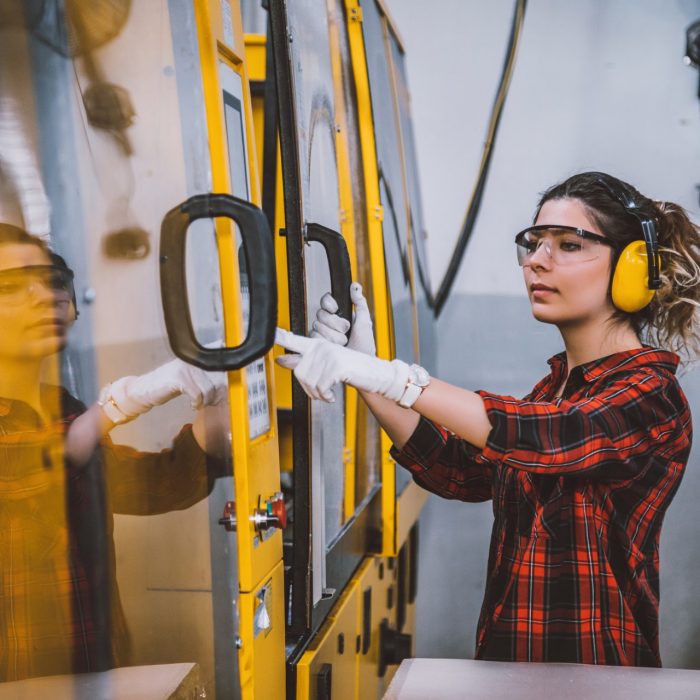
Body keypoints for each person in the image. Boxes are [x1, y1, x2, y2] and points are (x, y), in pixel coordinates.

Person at [275, 171, 700, 667]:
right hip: (509, 669)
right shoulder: (553, 389)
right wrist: (367, 376)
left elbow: (548, 439)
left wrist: (392, 376)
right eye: (533, 243)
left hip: (597, 678)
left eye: (567, 244)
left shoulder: (651, 395)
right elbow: (463, 473)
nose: (537, 261)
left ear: (631, 268)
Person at [0, 223, 228, 681]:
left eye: (52, 279)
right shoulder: (72, 424)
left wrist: (220, 402)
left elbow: (152, 487)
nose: (45, 295)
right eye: (11, 286)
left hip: (91, 671)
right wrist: (123, 401)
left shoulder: (63, 409)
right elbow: (28, 469)